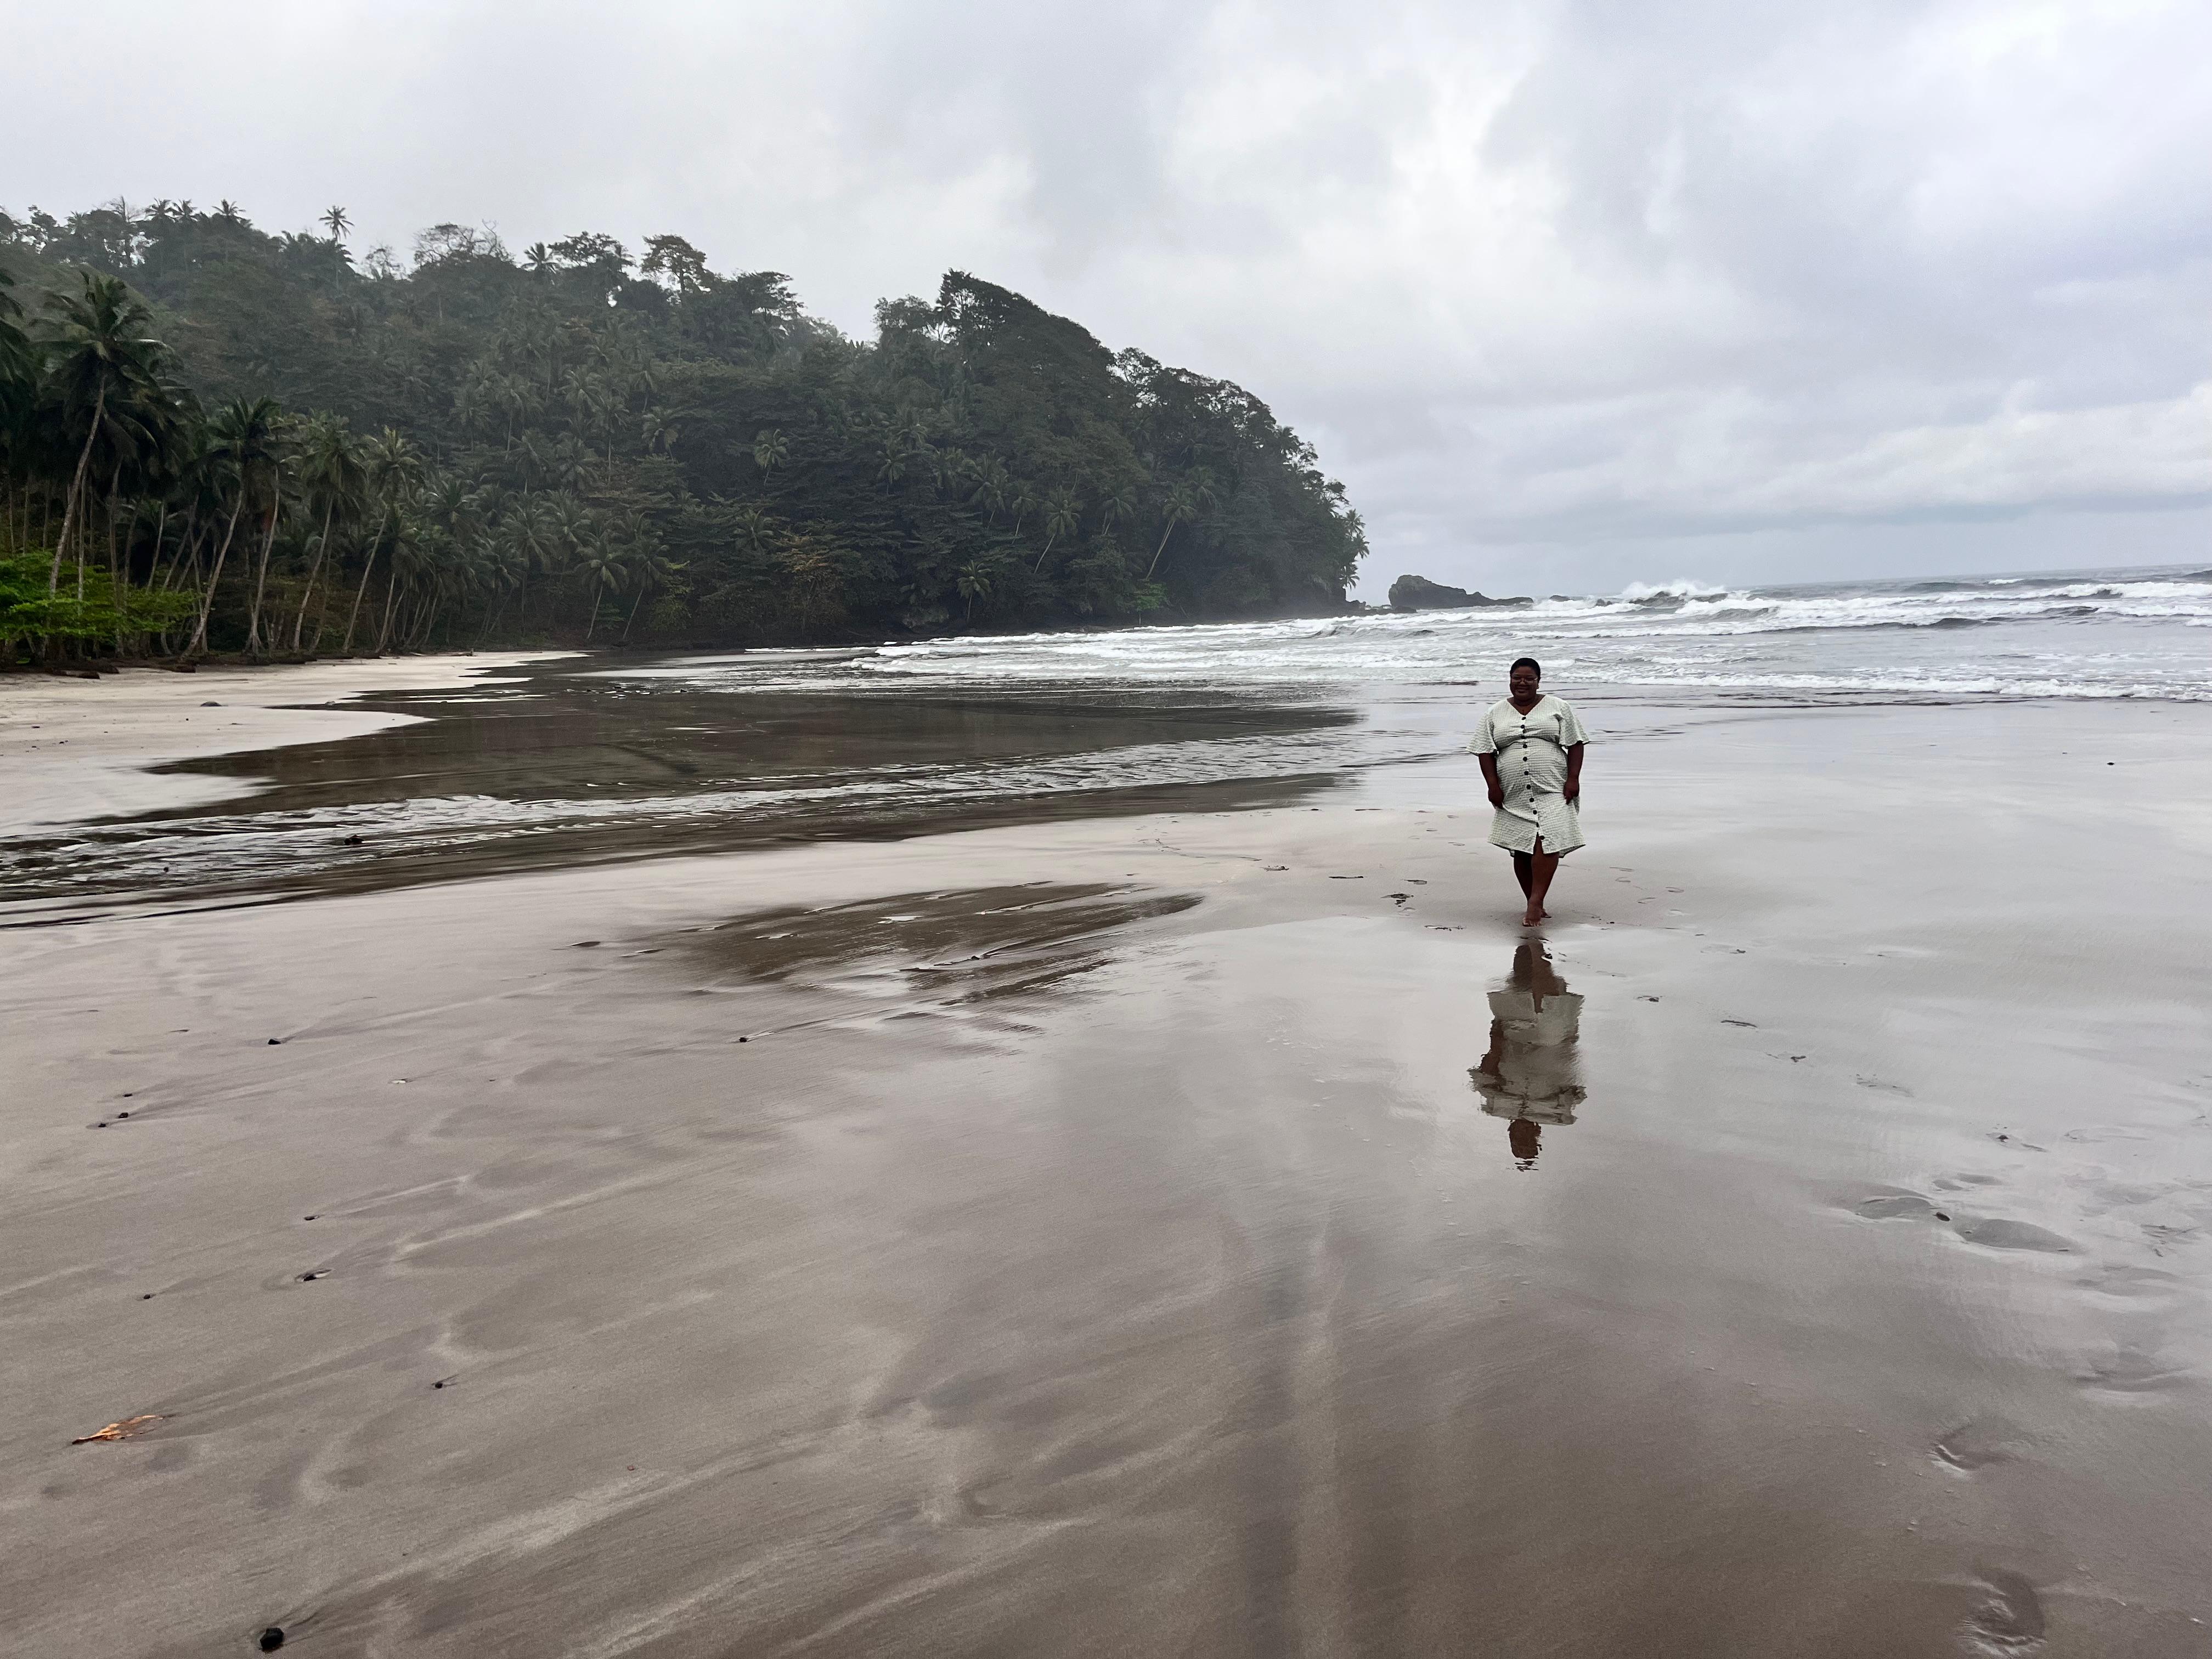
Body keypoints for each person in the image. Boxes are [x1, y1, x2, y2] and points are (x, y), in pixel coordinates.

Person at [1470, 657, 1589, 927]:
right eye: (1517, 678)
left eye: (1529, 678)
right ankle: (1532, 899)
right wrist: (1492, 785)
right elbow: (1484, 750)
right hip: (1512, 792)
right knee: (1522, 846)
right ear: (1510, 679)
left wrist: (1573, 778)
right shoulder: (1495, 712)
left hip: (1553, 787)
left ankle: (1535, 903)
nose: (1522, 683)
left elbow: (1577, 743)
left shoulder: (1559, 707)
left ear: (1538, 680)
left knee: (1546, 839)